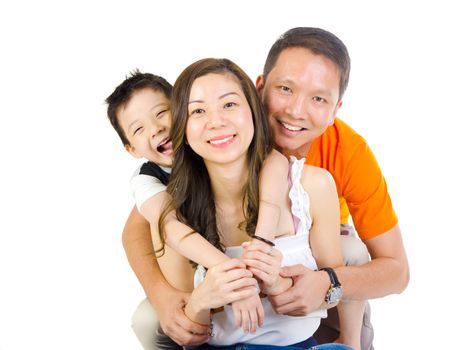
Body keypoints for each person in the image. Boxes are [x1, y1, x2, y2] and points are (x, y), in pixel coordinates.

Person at [123, 27, 409, 349]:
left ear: (335, 109)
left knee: (352, 252)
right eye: (285, 89)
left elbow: (397, 271)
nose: (296, 111)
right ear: (259, 89)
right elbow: (143, 229)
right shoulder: (210, 147)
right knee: (149, 320)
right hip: (219, 300)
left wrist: (327, 282)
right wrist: (167, 297)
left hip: (313, 266)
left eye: (318, 98)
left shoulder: (339, 159)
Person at [155, 57, 352, 348]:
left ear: (253, 110)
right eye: (197, 110)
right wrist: (201, 300)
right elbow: (185, 333)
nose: (216, 121)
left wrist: (278, 284)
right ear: (182, 127)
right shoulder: (172, 214)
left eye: (230, 104)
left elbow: (330, 293)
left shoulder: (312, 187)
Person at [106, 71, 292, 334]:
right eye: (139, 128)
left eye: (161, 113)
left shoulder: (213, 140)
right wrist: (232, 275)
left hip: (256, 247)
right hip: (199, 269)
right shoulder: (148, 179)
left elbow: (272, 157)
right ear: (132, 149)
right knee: (147, 322)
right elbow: (164, 226)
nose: (157, 128)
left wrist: (262, 243)